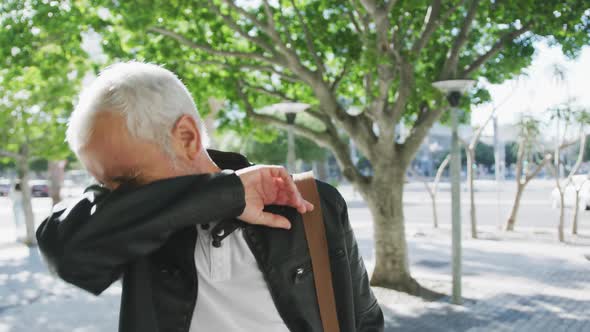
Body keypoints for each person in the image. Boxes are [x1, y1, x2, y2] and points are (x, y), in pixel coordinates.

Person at [36, 62, 383, 332]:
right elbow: (67, 252)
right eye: (104, 186)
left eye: (126, 180)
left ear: (186, 137)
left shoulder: (309, 202)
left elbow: (364, 319)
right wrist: (228, 194)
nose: (118, 200)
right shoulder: (130, 227)